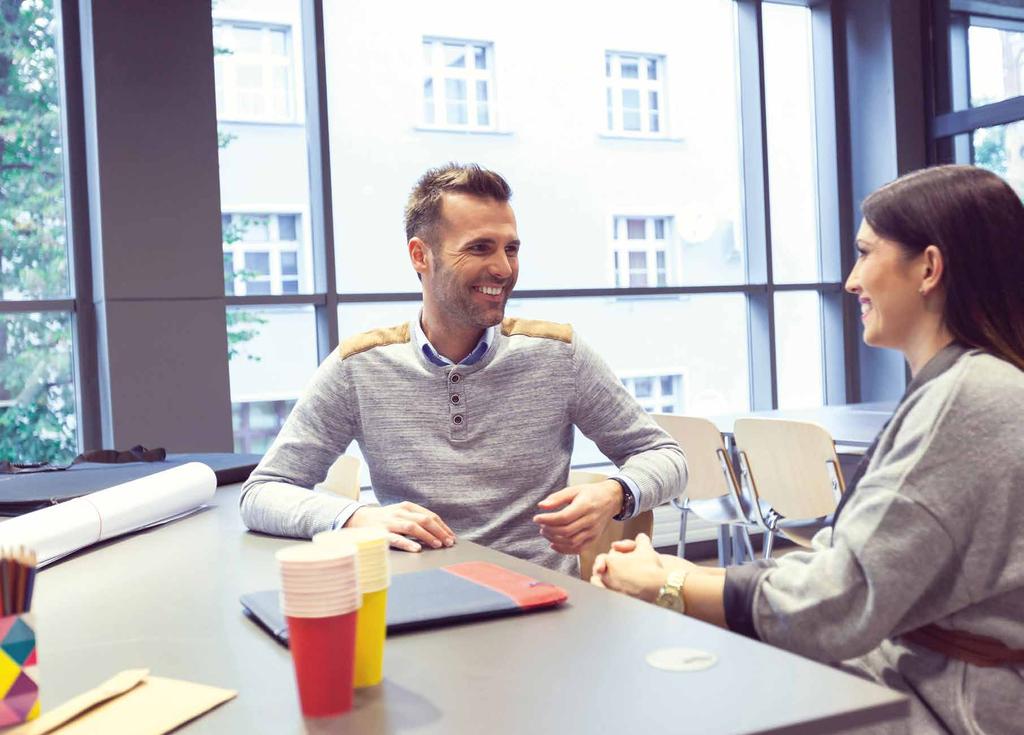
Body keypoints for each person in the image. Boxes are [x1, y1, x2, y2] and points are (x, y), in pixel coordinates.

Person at [591, 165, 1024, 733]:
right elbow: (853, 564)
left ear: (929, 268)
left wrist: (671, 585)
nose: (850, 280)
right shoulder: (967, 387)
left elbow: (842, 600)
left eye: (865, 252)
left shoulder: (969, 397)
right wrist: (685, 576)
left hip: (944, 705)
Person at [240, 163, 687, 574]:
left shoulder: (559, 355)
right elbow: (263, 493)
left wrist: (614, 493)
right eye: (479, 248)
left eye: (511, 248)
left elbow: (667, 457)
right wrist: (356, 516)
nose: (503, 268)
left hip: (541, 605)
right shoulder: (358, 368)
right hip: (420, 602)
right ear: (420, 256)